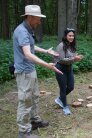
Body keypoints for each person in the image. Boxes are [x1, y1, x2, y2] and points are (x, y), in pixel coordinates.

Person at [13, 5, 63, 138]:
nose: (39, 22)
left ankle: (34, 121)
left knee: (34, 96)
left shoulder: (27, 30)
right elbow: (28, 54)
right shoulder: (22, 31)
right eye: (37, 19)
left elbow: (30, 46)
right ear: (30, 17)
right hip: (24, 72)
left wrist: (46, 51)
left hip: (30, 70)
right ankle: (24, 132)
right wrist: (47, 65)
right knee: (25, 101)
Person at [54, 28, 83, 115]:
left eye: (73, 36)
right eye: (70, 35)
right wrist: (74, 58)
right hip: (60, 68)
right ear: (65, 36)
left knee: (71, 87)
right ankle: (65, 107)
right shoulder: (61, 45)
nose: (71, 37)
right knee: (63, 88)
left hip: (69, 68)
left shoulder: (72, 45)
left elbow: (72, 58)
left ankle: (59, 99)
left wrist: (76, 57)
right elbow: (62, 59)